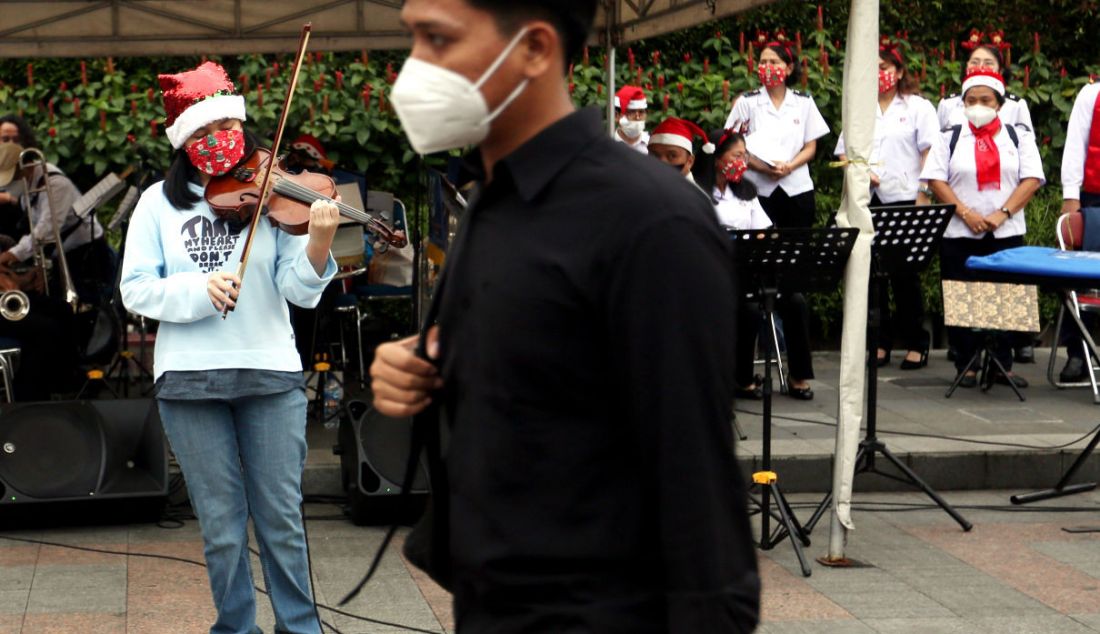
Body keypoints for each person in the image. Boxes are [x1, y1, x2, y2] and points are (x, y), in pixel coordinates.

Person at [373, 0, 760, 631]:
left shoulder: (647, 219)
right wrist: (437, 358)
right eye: (413, 37)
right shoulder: (492, 199)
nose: (414, 66)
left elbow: (697, 492)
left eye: (438, 38)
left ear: (534, 49)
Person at [119, 61, 338, 634]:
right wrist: (198, 289)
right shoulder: (155, 205)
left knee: (281, 521)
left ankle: (301, 627)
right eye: (199, 133)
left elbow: (299, 292)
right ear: (181, 144)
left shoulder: (272, 195)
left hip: (270, 374)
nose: (214, 141)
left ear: (242, 128)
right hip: (189, 381)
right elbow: (134, 288)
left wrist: (317, 242)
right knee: (220, 525)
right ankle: (236, 627)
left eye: (223, 127)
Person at [920, 69, 1044, 389]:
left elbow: (1031, 179)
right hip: (960, 230)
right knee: (964, 293)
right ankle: (967, 361)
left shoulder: (1018, 135)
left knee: (1006, 295)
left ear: (999, 104)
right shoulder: (950, 135)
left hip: (1005, 229)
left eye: (985, 100)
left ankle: (1003, 363)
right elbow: (935, 178)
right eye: (971, 100)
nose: (978, 105)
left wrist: (1002, 213)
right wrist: (965, 212)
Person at [722, 40, 826, 399]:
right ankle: (744, 376)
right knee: (754, 284)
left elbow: (812, 146)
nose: (767, 66)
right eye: (762, 61)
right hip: (759, 193)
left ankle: (799, 375)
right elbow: (732, 145)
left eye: (774, 61)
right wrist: (765, 168)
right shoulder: (747, 102)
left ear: (788, 65)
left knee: (793, 288)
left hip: (796, 189)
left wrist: (789, 166)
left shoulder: (804, 102)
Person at [834, 43, 940, 370]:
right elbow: (843, 151)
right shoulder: (860, 106)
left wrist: (923, 195)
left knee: (904, 276)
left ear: (899, 71)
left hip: (905, 198)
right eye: (875, 67)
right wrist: (860, 170)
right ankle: (879, 343)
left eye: (886, 66)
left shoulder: (918, 106)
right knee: (870, 276)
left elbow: (930, 151)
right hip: (868, 200)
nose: (881, 74)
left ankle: (917, 342)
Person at [693, 128, 815, 400]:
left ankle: (798, 377)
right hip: (718, 273)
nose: (743, 161)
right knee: (747, 308)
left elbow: (765, 229)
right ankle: (742, 380)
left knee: (795, 301)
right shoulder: (699, 192)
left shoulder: (746, 191)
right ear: (717, 159)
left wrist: (763, 237)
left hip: (754, 268)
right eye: (737, 155)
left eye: (745, 155)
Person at [0, 114, 114, 305]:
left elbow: (46, 230)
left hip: (88, 257)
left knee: (89, 311)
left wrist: (11, 254)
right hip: (63, 255)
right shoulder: (26, 182)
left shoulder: (54, 183)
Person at [1055, 78, 1100, 381]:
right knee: (1084, 277)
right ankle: (1077, 354)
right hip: (1095, 197)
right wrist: (1071, 198)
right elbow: (1075, 145)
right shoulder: (1092, 93)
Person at [647, 116, 714, 181]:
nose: (661, 163)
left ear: (689, 161)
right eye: (654, 155)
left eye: (672, 156)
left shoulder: (693, 192)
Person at [613, 85, 650, 153]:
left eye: (641, 112)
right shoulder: (608, 146)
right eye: (631, 112)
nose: (637, 117)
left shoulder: (652, 146)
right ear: (616, 116)